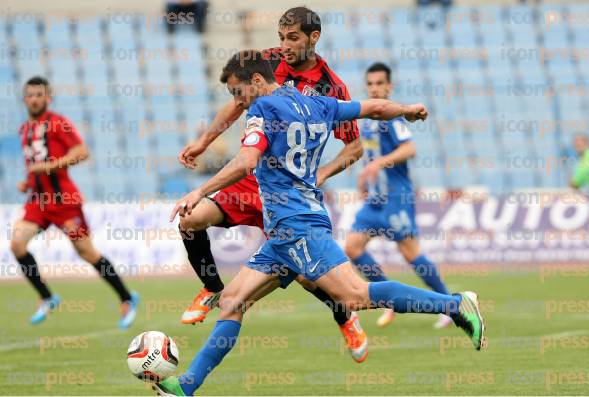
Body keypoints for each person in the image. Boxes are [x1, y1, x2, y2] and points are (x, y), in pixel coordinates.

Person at [152, 50, 485, 396]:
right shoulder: (319, 104)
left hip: (298, 225)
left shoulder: (261, 109)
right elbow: (373, 107)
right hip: (285, 230)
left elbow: (247, 160)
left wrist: (200, 191)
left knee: (355, 295)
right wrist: (407, 110)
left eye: (238, 93)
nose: (238, 102)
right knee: (233, 301)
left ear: (256, 81)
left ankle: (455, 305)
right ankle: (186, 387)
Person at [176, 7, 367, 361]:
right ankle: (211, 288)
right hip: (250, 179)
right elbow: (237, 104)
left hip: (286, 194)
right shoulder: (267, 62)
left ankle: (345, 316)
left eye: (292, 38)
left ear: (314, 37)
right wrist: (204, 141)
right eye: (281, 37)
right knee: (190, 220)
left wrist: (321, 174)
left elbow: (354, 147)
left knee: (308, 278)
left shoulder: (332, 88)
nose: (284, 46)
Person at [10, 76, 139, 328]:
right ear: (25, 99)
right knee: (17, 244)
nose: (34, 99)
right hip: (37, 202)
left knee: (86, 252)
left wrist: (49, 167)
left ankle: (127, 298)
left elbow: (82, 152)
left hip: (64, 201)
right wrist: (27, 182)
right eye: (30, 95)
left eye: (39, 95)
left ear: (48, 98)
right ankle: (47, 297)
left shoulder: (59, 123)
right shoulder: (24, 129)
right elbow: (34, 165)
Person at [344, 62, 453, 329]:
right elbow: (371, 155)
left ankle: (450, 305)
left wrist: (379, 164)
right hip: (376, 199)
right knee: (352, 247)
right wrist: (365, 175)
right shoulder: (369, 120)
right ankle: (387, 298)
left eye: (380, 83)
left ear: (389, 87)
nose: (375, 88)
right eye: (370, 84)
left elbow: (410, 149)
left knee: (410, 252)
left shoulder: (393, 116)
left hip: (396, 198)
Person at [570, 134, 589, 233]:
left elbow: (575, 183)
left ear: (587, 144)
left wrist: (572, 182)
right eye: (576, 145)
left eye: (580, 144)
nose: (577, 147)